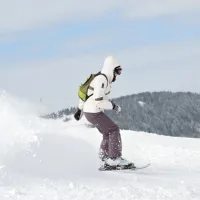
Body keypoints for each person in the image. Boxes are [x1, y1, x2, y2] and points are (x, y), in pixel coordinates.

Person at [74, 56, 131, 167]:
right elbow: (99, 101)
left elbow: (87, 93)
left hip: (91, 111)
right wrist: (113, 106)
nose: (117, 75)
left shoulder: (102, 79)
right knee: (114, 129)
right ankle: (114, 159)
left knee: (107, 132)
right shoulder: (101, 80)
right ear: (111, 69)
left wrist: (80, 109)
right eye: (117, 71)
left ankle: (104, 158)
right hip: (94, 112)